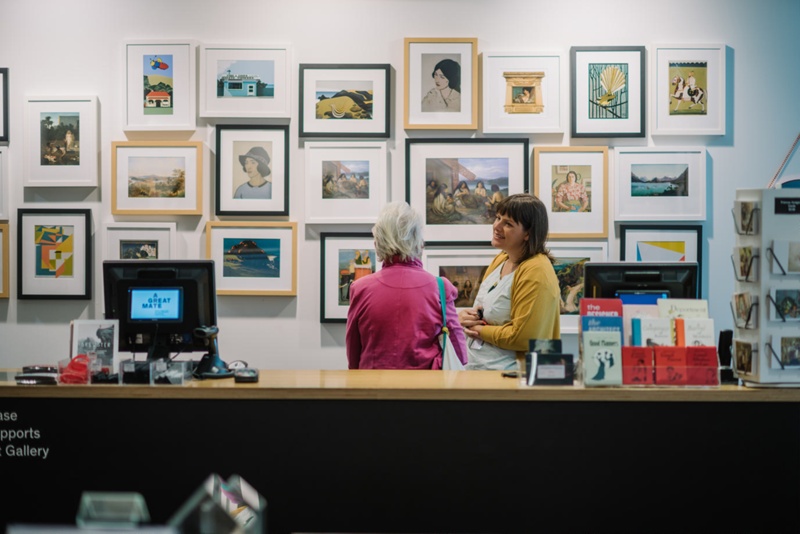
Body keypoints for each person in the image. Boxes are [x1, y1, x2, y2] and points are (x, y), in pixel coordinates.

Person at [346, 201, 468, 369]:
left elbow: (354, 351)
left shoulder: (360, 288)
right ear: (419, 242)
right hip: (425, 388)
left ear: (377, 243)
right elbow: (459, 352)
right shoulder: (440, 287)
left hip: (373, 387)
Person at [459, 194, 561, 370]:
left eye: (508, 223)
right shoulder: (502, 259)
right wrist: (463, 318)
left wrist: (478, 330)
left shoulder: (536, 270)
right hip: (477, 370)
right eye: (498, 218)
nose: (496, 226)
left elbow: (523, 337)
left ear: (528, 233)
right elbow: (483, 311)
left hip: (510, 378)